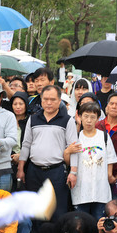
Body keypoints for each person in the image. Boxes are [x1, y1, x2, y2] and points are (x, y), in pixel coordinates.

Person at [17, 85, 76, 218]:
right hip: (34, 171)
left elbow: (74, 148)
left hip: (57, 171)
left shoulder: (67, 120)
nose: (49, 103)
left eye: (53, 99)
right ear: (41, 100)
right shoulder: (33, 119)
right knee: (35, 212)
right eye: (46, 99)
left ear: (59, 101)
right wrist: (21, 169)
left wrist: (73, 172)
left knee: (58, 211)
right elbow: (26, 145)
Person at [67, 102, 117, 219]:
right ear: (79, 117)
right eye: (86, 116)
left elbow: (110, 158)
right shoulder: (75, 137)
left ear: (98, 119)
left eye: (93, 117)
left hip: (101, 189)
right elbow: (69, 161)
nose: (89, 120)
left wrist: (109, 174)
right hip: (81, 190)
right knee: (81, 223)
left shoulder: (104, 137)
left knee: (100, 222)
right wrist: (67, 151)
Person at [97, 92, 117, 199]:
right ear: (107, 106)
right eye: (111, 103)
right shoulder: (97, 126)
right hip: (97, 176)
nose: (114, 106)